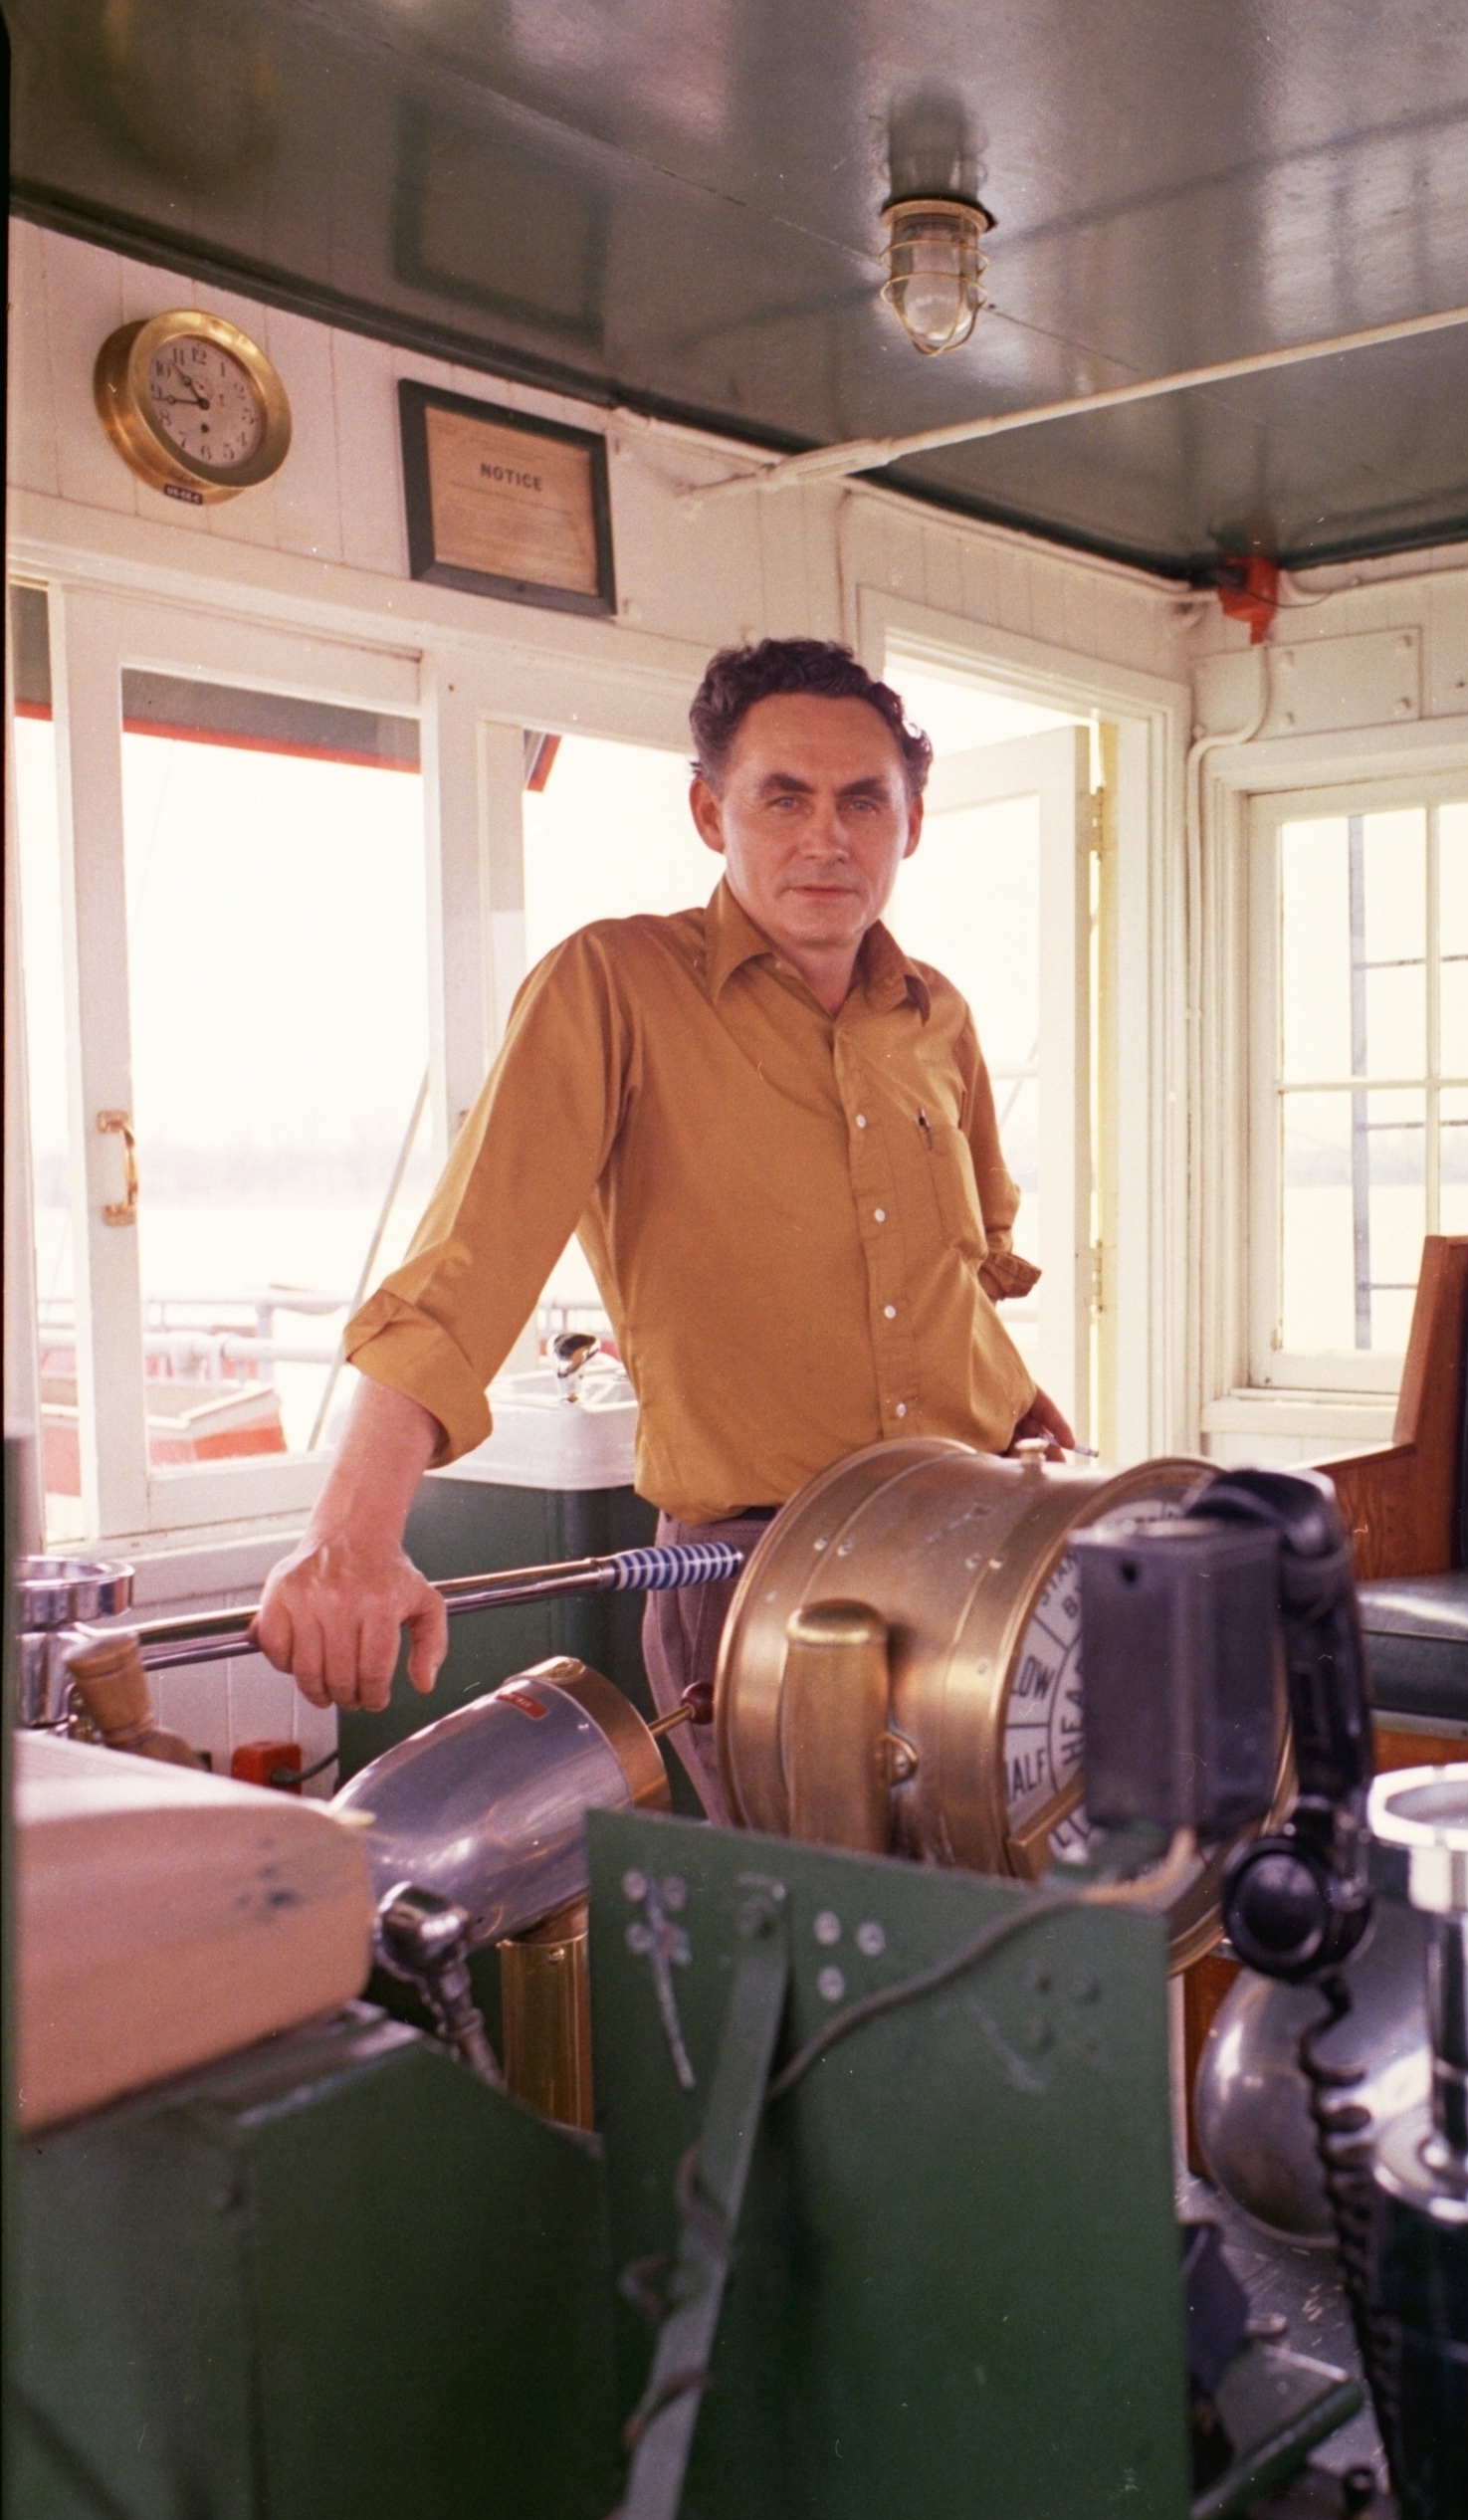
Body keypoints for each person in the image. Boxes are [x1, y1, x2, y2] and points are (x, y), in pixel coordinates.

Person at [255, 638, 1068, 1809]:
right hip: (762, 1574)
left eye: (861, 801)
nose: (825, 837)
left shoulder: (936, 1015)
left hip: (984, 1547)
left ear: (912, 822)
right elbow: (466, 1269)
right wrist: (353, 1533)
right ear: (708, 810)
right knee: (822, 1955)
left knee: (1018, 1923)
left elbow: (959, 1273)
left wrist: (1025, 1426)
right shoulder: (612, 986)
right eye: (781, 797)